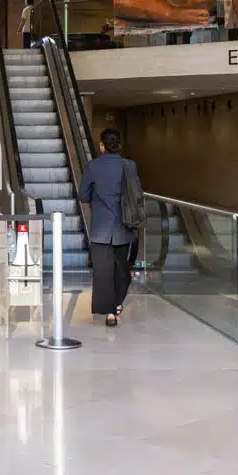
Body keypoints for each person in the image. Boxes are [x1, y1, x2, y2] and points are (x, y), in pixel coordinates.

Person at [76, 128, 139, 326]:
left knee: (103, 272)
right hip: (124, 226)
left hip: (101, 228)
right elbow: (137, 192)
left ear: (102, 146)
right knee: (122, 269)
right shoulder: (129, 166)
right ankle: (117, 303)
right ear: (118, 145)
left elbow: (83, 195)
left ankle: (109, 311)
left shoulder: (93, 166)